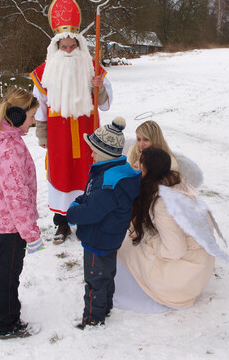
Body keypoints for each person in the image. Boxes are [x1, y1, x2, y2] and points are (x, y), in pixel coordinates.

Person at [30, 0, 113, 244]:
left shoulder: (92, 67)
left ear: (79, 44)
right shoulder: (44, 72)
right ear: (56, 46)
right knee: (61, 174)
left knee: (88, 175)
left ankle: (88, 221)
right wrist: (42, 136)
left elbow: (107, 103)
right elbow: (40, 108)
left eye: (72, 46)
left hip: (88, 134)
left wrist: (98, 86)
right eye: (63, 47)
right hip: (59, 136)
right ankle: (62, 224)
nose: (67, 51)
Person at [114, 147, 229, 313]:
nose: (134, 164)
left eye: (140, 163)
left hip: (185, 276)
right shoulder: (174, 184)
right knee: (132, 237)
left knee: (125, 245)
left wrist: (150, 241)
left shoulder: (162, 203)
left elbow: (175, 249)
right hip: (199, 265)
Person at [0, 88, 43, 339]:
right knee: (8, 273)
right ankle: (8, 323)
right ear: (16, 115)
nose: (35, 121)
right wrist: (30, 231)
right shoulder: (8, 147)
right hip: (11, 222)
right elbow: (17, 194)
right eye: (32, 116)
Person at [66, 117, 141, 329]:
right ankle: (105, 306)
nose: (90, 154)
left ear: (104, 154)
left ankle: (92, 317)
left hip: (98, 238)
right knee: (106, 274)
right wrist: (80, 200)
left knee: (95, 279)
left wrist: (72, 212)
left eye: (93, 151)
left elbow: (92, 211)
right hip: (109, 236)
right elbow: (90, 196)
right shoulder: (110, 172)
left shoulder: (109, 183)